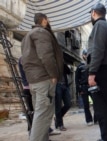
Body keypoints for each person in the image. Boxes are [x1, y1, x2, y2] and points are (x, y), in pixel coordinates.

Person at [21, 13, 64, 141]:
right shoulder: (41, 32)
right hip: (44, 79)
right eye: (48, 19)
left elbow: (25, 60)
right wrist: (53, 75)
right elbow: (46, 56)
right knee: (43, 115)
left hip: (34, 81)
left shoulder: (27, 37)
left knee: (40, 114)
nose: (49, 21)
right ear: (44, 20)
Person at [87, 3, 107, 141]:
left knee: (102, 110)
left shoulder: (99, 26)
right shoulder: (106, 26)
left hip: (101, 71)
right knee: (106, 109)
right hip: (106, 70)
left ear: (94, 13)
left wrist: (92, 73)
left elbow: (97, 50)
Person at [18, 57, 61, 136]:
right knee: (36, 112)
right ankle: (33, 133)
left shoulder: (30, 57)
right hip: (32, 87)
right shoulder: (25, 58)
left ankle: (44, 131)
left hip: (35, 86)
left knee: (39, 111)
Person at [75, 50, 97, 126]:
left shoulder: (92, 65)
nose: (86, 56)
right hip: (83, 87)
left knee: (96, 103)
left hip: (91, 86)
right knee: (86, 105)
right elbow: (76, 79)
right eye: (85, 54)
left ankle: (96, 119)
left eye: (87, 54)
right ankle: (89, 120)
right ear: (83, 56)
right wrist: (79, 90)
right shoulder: (80, 66)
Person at [54, 63, 72, 131]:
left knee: (68, 104)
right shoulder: (51, 61)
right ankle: (60, 124)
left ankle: (58, 118)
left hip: (65, 85)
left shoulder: (62, 63)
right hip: (56, 85)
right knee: (58, 105)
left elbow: (69, 71)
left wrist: (63, 63)